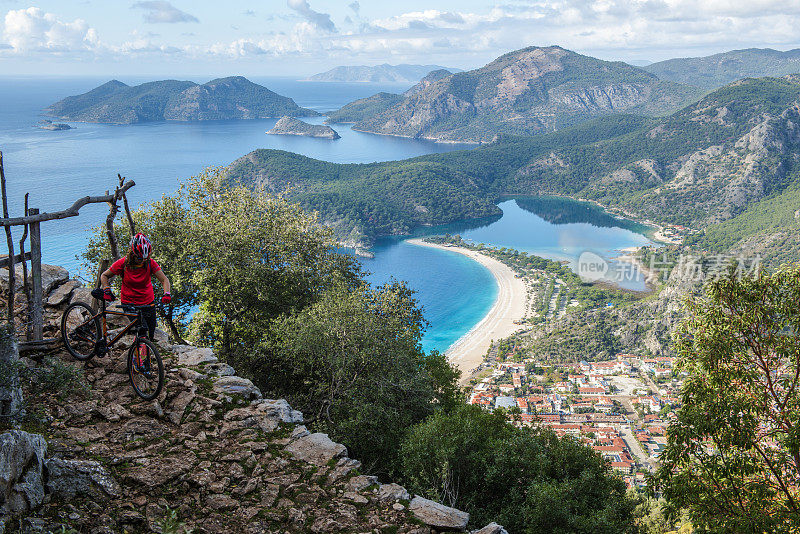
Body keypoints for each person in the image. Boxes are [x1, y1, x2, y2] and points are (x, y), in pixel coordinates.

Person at [98, 233, 171, 340]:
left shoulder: (150, 263)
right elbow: (104, 275)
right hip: (129, 303)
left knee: (151, 332)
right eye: (139, 258)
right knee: (142, 330)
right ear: (133, 254)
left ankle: (146, 352)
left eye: (144, 259)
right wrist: (106, 289)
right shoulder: (123, 263)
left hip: (148, 303)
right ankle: (137, 355)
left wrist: (167, 294)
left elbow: (164, 280)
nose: (142, 261)